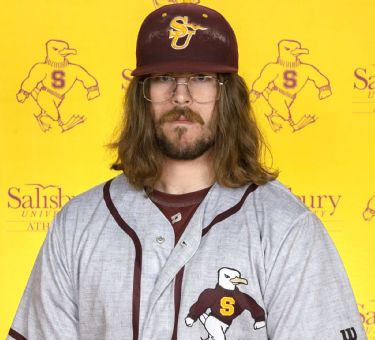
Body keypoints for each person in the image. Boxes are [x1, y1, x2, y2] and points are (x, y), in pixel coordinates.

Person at [8, 2, 366, 340]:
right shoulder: (77, 225)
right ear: (141, 95)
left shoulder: (284, 227)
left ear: (228, 95)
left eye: (200, 77)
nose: (181, 97)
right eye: (164, 77)